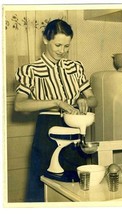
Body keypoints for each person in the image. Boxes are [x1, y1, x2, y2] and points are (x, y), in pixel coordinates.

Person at [14, 19, 97, 202]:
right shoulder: (32, 70)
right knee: (41, 187)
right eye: (58, 45)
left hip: (75, 131)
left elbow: (94, 99)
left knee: (75, 187)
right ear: (45, 40)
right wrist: (56, 102)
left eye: (66, 46)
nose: (63, 51)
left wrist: (85, 100)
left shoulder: (74, 67)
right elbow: (20, 105)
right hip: (47, 132)